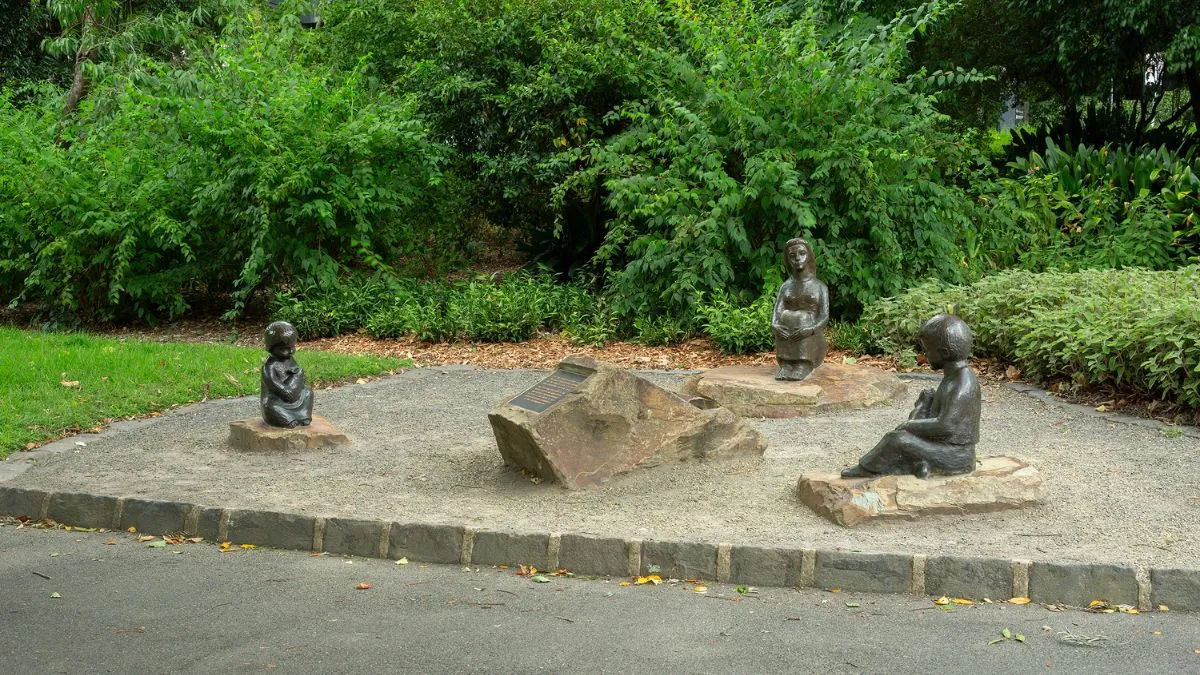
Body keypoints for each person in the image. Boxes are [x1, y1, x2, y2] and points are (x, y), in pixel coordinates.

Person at [841, 314, 980, 479]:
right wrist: (923, 406)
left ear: (944, 353)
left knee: (896, 440)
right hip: (944, 447)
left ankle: (868, 468)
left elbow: (945, 427)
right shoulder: (952, 377)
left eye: (928, 350)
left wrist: (909, 425)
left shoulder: (963, 384)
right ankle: (919, 464)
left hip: (956, 456)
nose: (924, 355)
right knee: (907, 435)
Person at [771, 238, 829, 380]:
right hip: (787, 332)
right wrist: (775, 326)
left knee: (802, 316)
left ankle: (803, 363)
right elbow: (777, 312)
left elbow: (824, 316)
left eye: (802, 253)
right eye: (792, 256)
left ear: (809, 256)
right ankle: (786, 364)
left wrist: (811, 329)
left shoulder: (819, 286)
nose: (797, 258)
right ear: (788, 260)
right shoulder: (785, 286)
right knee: (786, 316)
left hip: (809, 334)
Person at [260, 321, 313, 428]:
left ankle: (303, 415)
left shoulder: (290, 360)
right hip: (278, 400)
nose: (290, 351)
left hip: (295, 396)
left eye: (292, 347)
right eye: (284, 348)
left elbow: (298, 375)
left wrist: (301, 379)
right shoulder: (269, 367)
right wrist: (285, 390)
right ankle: (287, 419)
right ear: (272, 348)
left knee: (308, 392)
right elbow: (274, 384)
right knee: (270, 405)